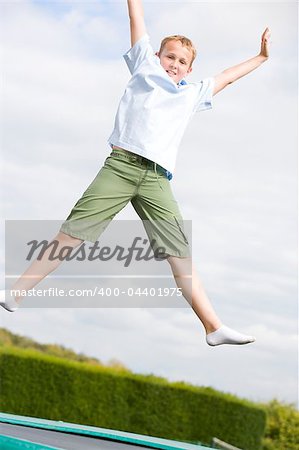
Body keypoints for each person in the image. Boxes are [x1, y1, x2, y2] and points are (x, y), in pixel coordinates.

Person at [1, 0, 271, 346]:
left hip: (157, 179)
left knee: (181, 255)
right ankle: (16, 293)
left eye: (182, 61)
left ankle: (213, 327)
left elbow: (228, 77)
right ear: (157, 56)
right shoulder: (144, 66)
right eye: (169, 56)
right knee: (72, 233)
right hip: (121, 167)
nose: (174, 64)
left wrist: (261, 57)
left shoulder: (192, 94)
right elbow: (136, 15)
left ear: (189, 69)